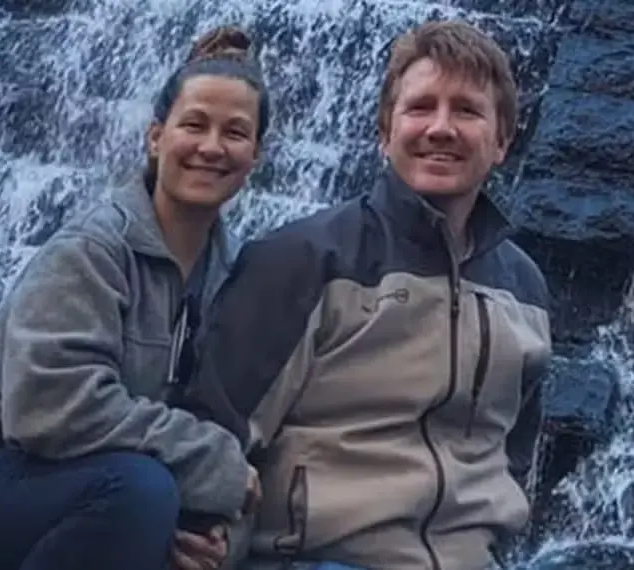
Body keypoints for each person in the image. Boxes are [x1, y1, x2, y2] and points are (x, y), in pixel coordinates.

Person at [0, 25, 268, 570]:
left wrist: (213, 536)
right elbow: (48, 410)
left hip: (60, 492)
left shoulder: (232, 277)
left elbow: (230, 440)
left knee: (149, 498)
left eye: (235, 132)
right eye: (194, 124)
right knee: (141, 491)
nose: (211, 147)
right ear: (156, 136)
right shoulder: (92, 248)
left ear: (256, 155)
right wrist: (214, 464)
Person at [177, 20, 553, 570]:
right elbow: (216, 429)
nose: (441, 128)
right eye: (421, 107)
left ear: (501, 141)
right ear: (384, 131)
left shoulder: (525, 289)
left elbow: (513, 454)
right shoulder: (301, 260)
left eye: (467, 111)